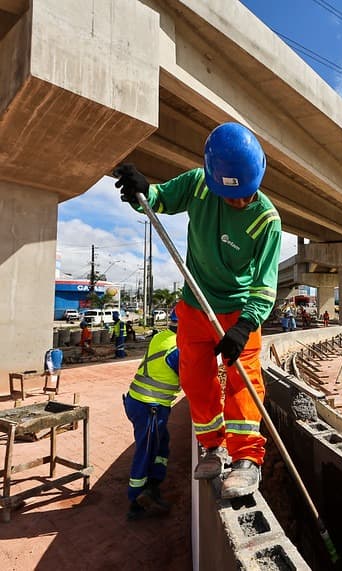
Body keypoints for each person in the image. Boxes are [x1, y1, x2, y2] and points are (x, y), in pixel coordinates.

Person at [114, 122, 282, 499]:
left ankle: (246, 461)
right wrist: (142, 190)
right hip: (195, 307)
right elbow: (160, 198)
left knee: (242, 381)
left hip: (239, 312)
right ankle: (213, 447)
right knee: (196, 379)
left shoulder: (267, 220)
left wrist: (245, 325)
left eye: (244, 194)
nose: (238, 201)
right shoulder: (199, 184)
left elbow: (265, 283)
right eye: (230, 195)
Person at [124, 309, 181, 521]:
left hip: (140, 401)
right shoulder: (178, 348)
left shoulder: (161, 336)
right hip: (149, 406)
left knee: (161, 444)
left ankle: (154, 484)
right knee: (146, 450)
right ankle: (136, 501)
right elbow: (191, 379)